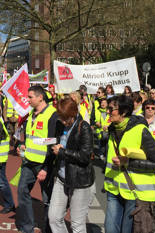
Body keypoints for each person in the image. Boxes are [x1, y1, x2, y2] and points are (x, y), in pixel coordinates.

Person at [104, 95, 155, 233]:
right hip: (114, 188)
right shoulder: (113, 130)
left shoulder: (140, 130)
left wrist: (128, 163)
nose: (108, 111)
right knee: (110, 229)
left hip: (134, 192)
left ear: (123, 112)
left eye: (111, 109)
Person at [48, 98, 95, 233]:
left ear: (73, 114)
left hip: (79, 180)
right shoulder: (61, 125)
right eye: (61, 118)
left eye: (65, 118)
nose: (63, 121)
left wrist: (62, 152)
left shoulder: (83, 127)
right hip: (62, 178)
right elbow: (58, 141)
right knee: (54, 218)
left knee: (77, 224)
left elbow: (85, 156)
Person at [16, 86, 59, 233]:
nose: (27, 100)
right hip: (28, 162)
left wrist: (46, 168)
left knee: (47, 200)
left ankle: (48, 228)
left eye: (30, 97)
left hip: (44, 164)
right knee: (22, 192)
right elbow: (29, 136)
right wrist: (22, 145)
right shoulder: (30, 114)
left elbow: (52, 142)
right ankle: (28, 227)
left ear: (40, 97)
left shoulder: (52, 114)